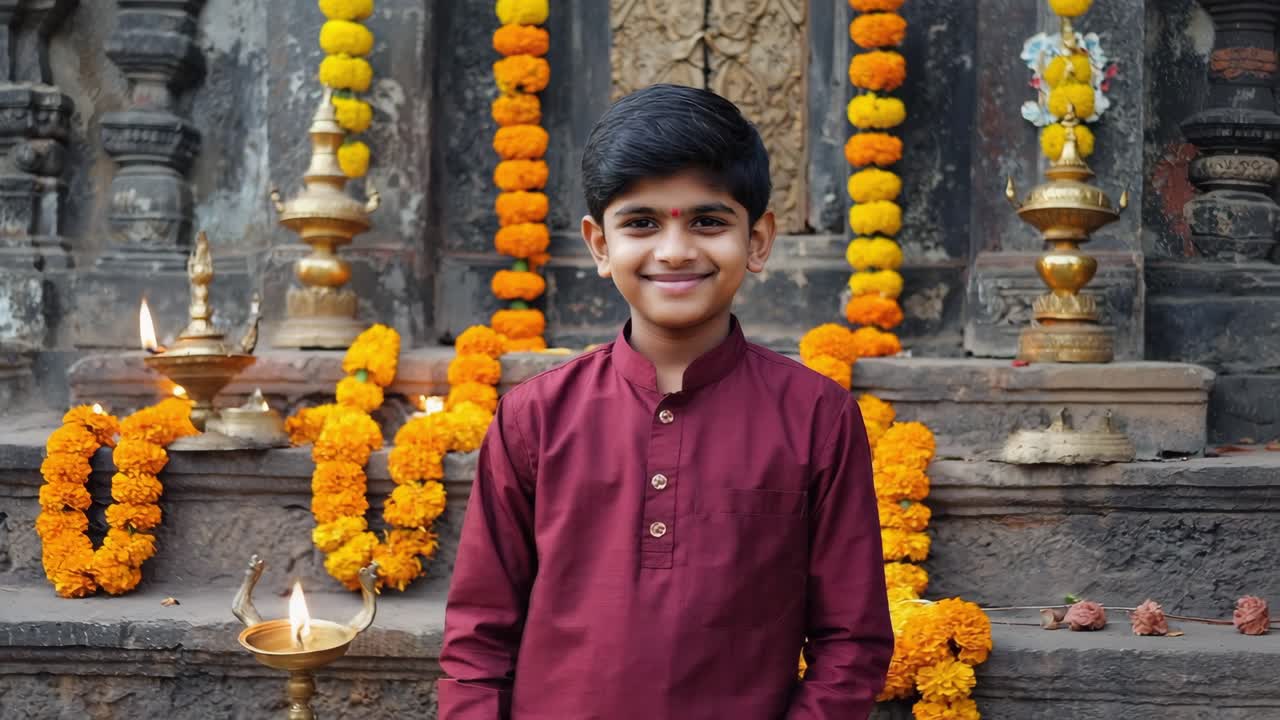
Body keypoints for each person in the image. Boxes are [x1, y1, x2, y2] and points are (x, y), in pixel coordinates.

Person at [438, 83, 893, 719]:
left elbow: (852, 641)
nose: (674, 250)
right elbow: (478, 636)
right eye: (642, 223)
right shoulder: (534, 417)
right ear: (600, 245)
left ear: (758, 240)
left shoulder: (816, 417)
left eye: (708, 221)